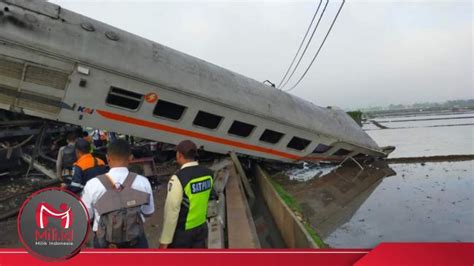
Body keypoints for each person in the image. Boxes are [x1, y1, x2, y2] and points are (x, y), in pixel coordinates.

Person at [81, 140, 154, 248]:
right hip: (135, 242)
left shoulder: (92, 185)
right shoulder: (143, 182)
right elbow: (149, 212)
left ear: (107, 158)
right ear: (130, 158)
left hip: (105, 245)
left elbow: (86, 216)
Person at [159, 140, 214, 248]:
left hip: (183, 234)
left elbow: (172, 211)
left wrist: (165, 241)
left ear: (179, 155)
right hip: (202, 228)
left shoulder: (178, 178)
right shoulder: (208, 173)